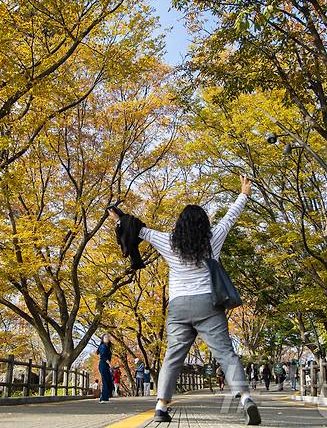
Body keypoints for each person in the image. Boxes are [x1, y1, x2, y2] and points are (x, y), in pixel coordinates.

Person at [109, 175, 260, 425]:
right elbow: (231, 217)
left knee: (173, 356)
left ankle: (161, 407)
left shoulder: (169, 241)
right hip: (208, 305)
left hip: (178, 307)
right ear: (204, 225)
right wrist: (244, 192)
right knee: (226, 354)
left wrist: (119, 218)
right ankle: (245, 399)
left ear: (180, 224)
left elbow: (140, 230)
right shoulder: (213, 240)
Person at [97, 334, 113, 403]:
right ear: (102, 339)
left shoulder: (107, 347)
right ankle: (104, 399)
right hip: (103, 364)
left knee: (108, 380)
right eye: (105, 337)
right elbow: (103, 356)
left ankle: (103, 397)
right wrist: (109, 363)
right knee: (105, 381)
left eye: (108, 337)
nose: (107, 338)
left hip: (106, 365)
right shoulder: (103, 346)